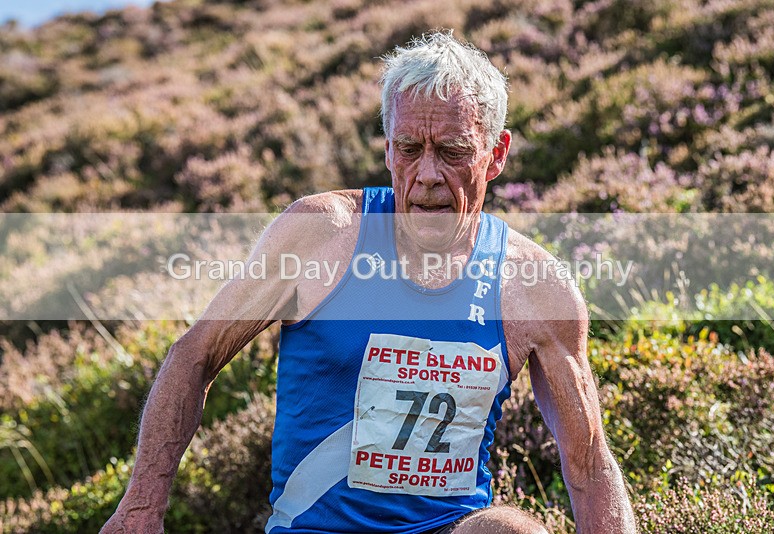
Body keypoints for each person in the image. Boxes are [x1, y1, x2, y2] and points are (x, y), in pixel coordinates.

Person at [102, 31, 636, 534]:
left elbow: (588, 464)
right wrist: (141, 508)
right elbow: (194, 355)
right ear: (387, 150)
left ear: (495, 154)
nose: (427, 174)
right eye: (408, 149)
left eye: (452, 151)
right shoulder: (321, 234)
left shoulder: (535, 286)